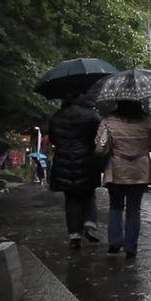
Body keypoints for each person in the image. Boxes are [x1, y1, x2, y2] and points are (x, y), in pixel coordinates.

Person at [97, 100, 151, 257]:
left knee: (115, 206)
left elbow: (99, 148)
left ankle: (114, 243)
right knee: (134, 209)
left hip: (117, 168)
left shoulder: (108, 122)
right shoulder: (146, 122)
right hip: (140, 170)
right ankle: (131, 247)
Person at [49, 92, 102, 248]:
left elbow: (52, 138)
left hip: (63, 160)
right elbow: (99, 137)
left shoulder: (57, 116)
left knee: (71, 199)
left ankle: (75, 236)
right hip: (87, 160)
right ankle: (90, 224)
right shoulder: (92, 115)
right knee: (89, 195)